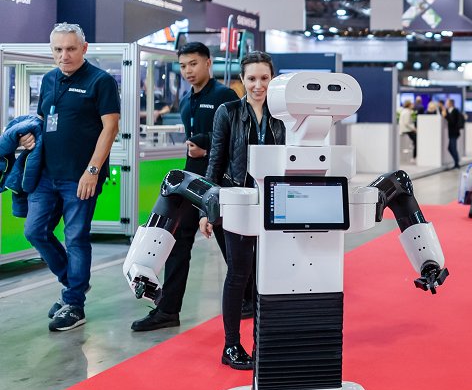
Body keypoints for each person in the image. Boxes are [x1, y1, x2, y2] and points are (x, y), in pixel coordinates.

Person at [131, 41, 240, 332]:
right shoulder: (185, 100)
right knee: (178, 243)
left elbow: (235, 139)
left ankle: (249, 299)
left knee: (230, 245)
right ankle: (168, 310)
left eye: (193, 63)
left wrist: (207, 148)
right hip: (191, 183)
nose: (188, 70)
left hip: (219, 183)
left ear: (208, 63)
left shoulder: (225, 96)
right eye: (182, 66)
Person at [20, 23, 120, 331]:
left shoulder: (100, 81)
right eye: (58, 49)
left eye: (71, 49)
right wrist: (29, 136)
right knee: (35, 231)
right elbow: (45, 119)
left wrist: (93, 170)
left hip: (80, 177)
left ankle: (75, 303)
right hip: (45, 175)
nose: (64, 55)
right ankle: (74, 283)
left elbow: (110, 127)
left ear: (84, 48)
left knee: (75, 237)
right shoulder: (49, 79)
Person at [199, 51, 285, 370]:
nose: (258, 85)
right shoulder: (228, 112)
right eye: (252, 79)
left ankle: (266, 342)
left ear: (273, 79)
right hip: (237, 203)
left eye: (264, 78)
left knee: (269, 275)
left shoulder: (284, 114)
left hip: (275, 204)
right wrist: (207, 209)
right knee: (238, 273)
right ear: (242, 79)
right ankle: (232, 345)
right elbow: (215, 160)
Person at [442, 99, 464, 167]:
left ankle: (456, 163)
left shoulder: (455, 111)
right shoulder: (449, 110)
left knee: (453, 148)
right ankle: (456, 161)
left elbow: (452, 121)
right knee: (450, 148)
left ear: (450, 103)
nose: (446, 104)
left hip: (454, 132)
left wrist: (446, 116)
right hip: (451, 132)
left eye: (447, 103)